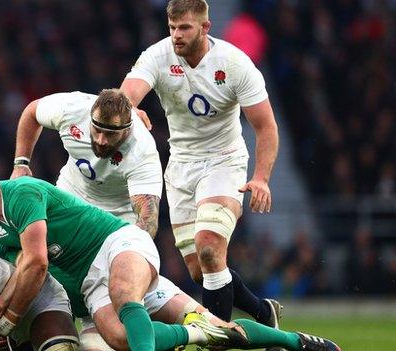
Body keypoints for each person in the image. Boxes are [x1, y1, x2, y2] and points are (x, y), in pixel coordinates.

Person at [0, 233, 341, 351]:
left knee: (119, 335)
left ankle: (287, 339)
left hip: (115, 271)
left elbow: (24, 274)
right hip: (90, 292)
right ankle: (293, 341)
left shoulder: (26, 220)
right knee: (214, 331)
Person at [120, 0, 281, 334]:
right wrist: (129, 109)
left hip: (224, 160)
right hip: (180, 165)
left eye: (185, 28)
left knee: (209, 247)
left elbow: (266, 126)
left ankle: (217, 336)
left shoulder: (235, 64)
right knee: (200, 270)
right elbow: (127, 94)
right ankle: (261, 311)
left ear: (205, 28)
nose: (176, 36)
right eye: (172, 28)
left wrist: (262, 178)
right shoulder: (158, 55)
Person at [9, 88, 200, 349]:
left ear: (128, 128)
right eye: (96, 129)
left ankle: (188, 326)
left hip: (112, 224)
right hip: (70, 200)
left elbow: (148, 217)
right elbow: (32, 111)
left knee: (118, 310)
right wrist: (21, 162)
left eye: (110, 134)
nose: (100, 139)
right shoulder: (72, 108)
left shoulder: (142, 151)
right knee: (31, 256)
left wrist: (130, 260)